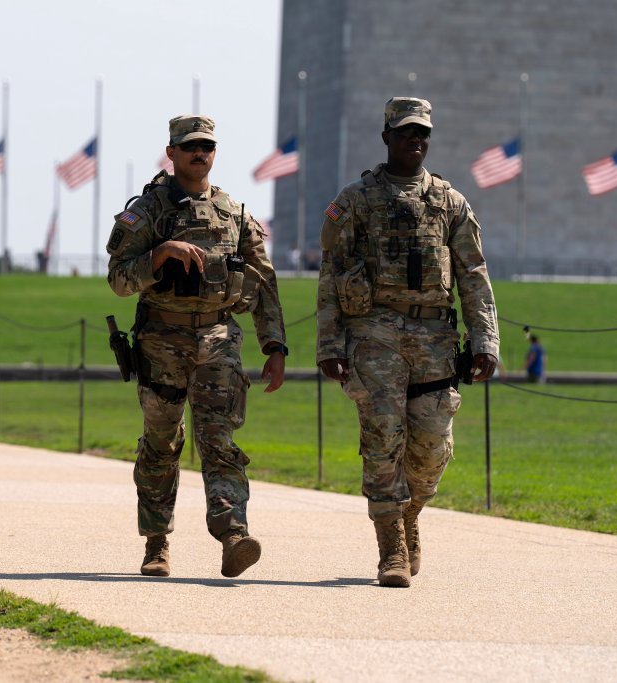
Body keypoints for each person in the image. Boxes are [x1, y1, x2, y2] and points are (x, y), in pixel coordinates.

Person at [316, 97, 499, 588]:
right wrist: (329, 345)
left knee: (432, 446)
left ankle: (410, 511)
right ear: (386, 138)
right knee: (382, 437)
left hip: (435, 336)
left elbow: (474, 275)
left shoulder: (449, 201)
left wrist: (485, 340)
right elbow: (332, 274)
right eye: (405, 134)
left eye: (422, 135)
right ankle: (390, 545)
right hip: (373, 334)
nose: (415, 141)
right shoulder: (355, 199)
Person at [107, 115, 287, 578]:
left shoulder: (234, 213)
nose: (198, 153)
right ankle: (156, 542)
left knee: (219, 440)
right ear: (172, 153)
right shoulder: (146, 212)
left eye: (206, 146)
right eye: (189, 146)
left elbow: (263, 283)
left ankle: (233, 534)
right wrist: (159, 255)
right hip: (161, 341)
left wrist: (275, 347)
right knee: (161, 445)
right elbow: (119, 280)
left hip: (217, 339)